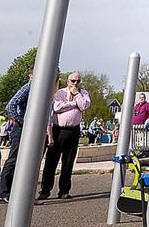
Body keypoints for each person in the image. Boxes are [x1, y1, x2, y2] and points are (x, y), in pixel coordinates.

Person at [39, 71, 90, 200]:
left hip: (73, 131)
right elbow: (57, 107)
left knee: (68, 162)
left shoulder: (83, 94)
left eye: (78, 81)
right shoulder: (60, 93)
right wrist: (73, 104)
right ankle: (45, 190)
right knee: (51, 162)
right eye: (73, 81)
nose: (75, 83)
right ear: (68, 81)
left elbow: (84, 106)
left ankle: (64, 190)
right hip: (58, 130)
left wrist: (76, 95)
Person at [0, 70, 33, 204]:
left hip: (30, 127)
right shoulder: (28, 87)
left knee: (25, 160)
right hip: (21, 127)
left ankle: (18, 193)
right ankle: (4, 193)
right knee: (14, 158)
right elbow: (11, 105)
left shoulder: (40, 89)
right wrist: (21, 121)